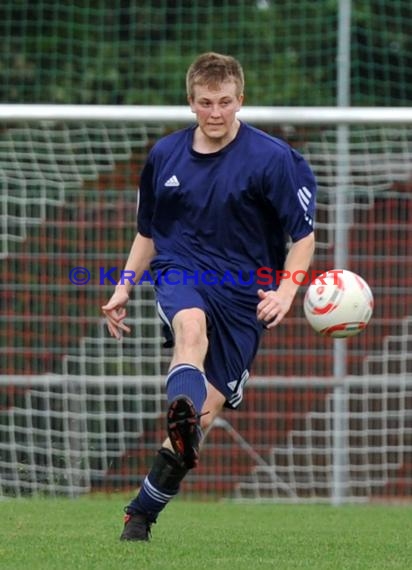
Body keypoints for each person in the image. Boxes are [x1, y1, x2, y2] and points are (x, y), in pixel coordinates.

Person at [102, 52, 317, 541]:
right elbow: (149, 233)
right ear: (191, 102)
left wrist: (287, 289)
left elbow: (303, 236)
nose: (215, 112)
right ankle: (181, 412)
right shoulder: (164, 156)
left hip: (245, 295)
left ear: (241, 100)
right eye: (205, 103)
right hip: (183, 270)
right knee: (189, 331)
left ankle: (141, 513)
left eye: (224, 102)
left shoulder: (272, 159)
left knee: (205, 415)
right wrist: (123, 286)